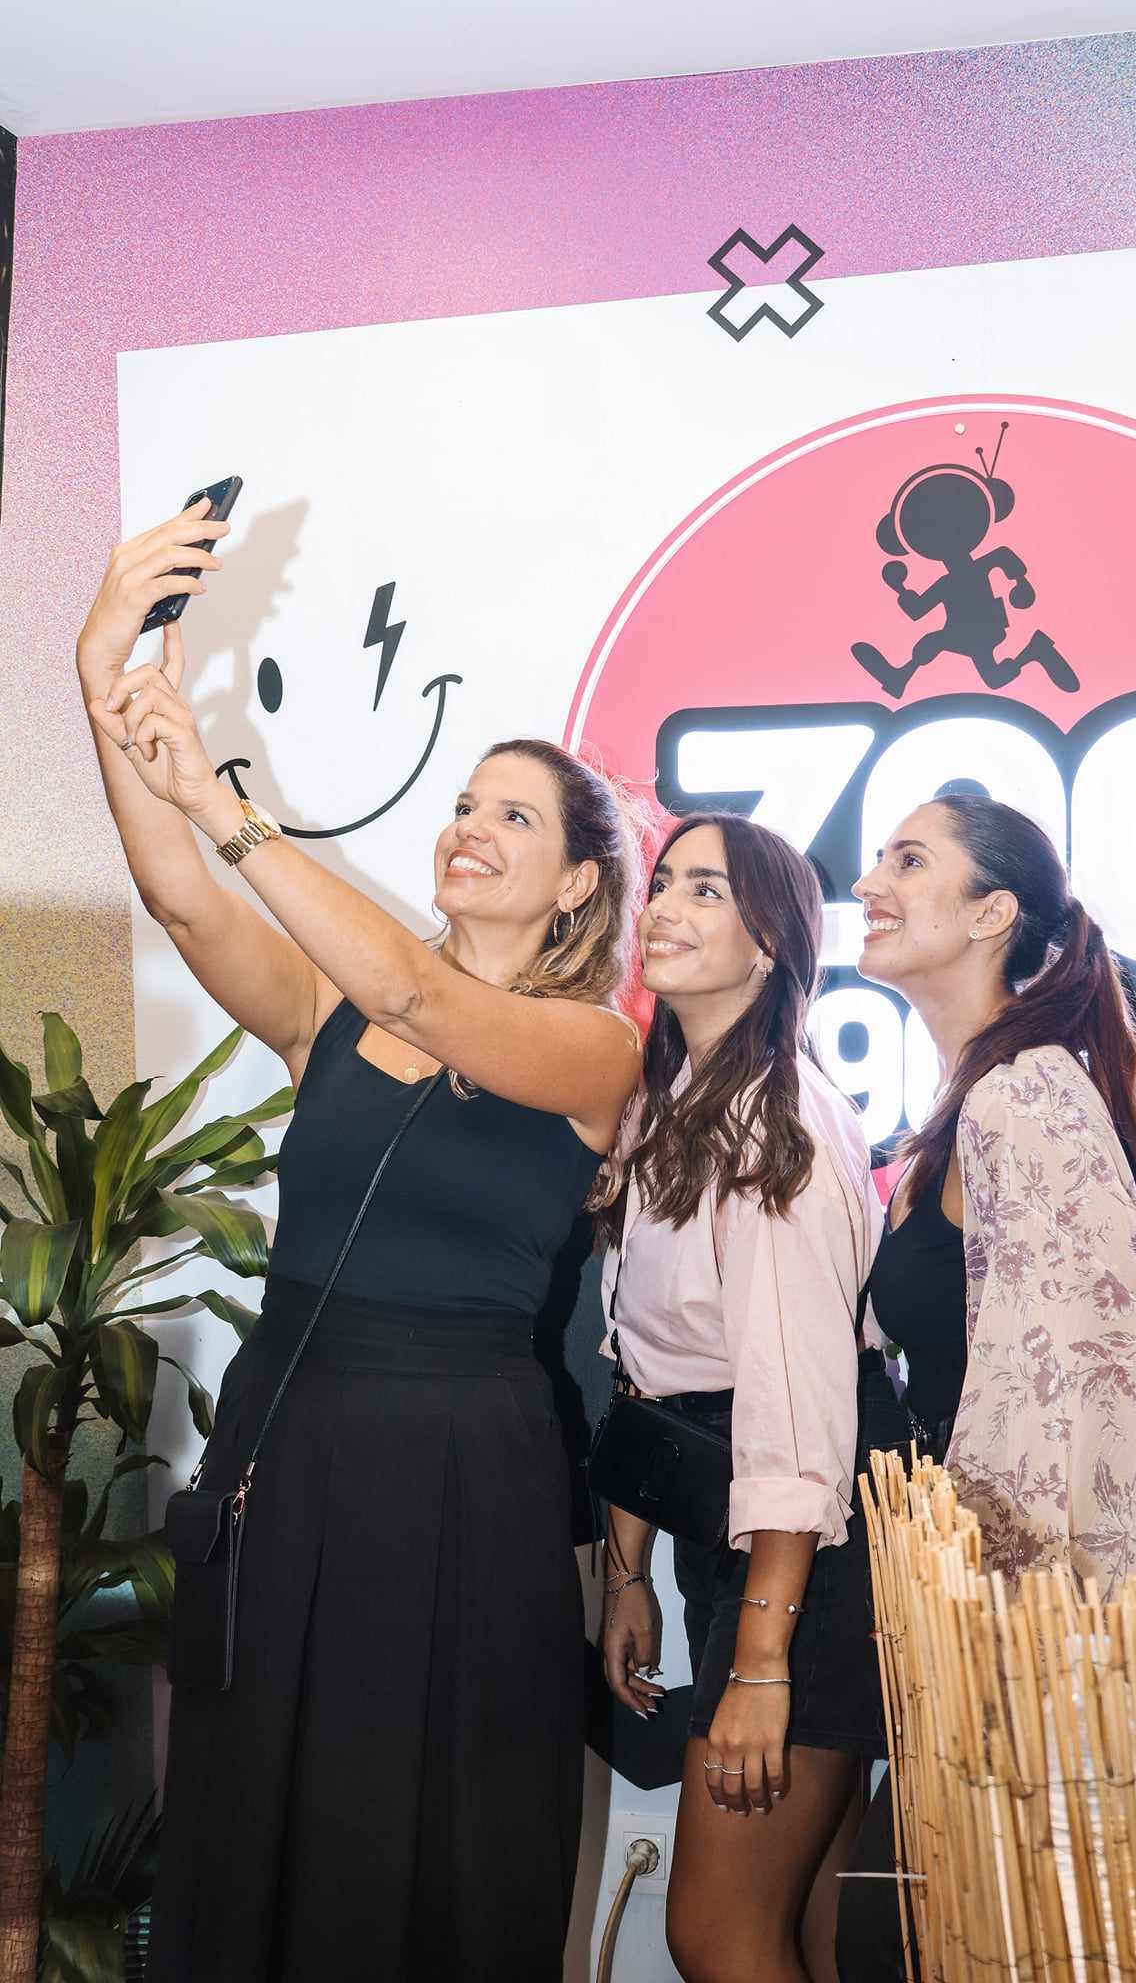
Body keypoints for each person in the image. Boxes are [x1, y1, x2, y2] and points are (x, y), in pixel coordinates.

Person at [75, 499, 643, 1982]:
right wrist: (103, 690)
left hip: (462, 1471)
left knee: (432, 1829)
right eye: (464, 803)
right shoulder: (330, 1009)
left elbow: (422, 998)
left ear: (580, 883)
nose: (469, 828)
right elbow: (180, 898)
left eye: (513, 817)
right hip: (291, 1437)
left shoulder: (596, 1049)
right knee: (256, 1806)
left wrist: (226, 804)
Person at [835, 792, 1136, 1982]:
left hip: (1040, 1666)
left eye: (909, 859)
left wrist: (1011, 1663)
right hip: (984, 1643)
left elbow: (1092, 1410)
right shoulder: (974, 1101)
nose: (870, 882)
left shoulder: (1029, 1096)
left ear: (991, 910)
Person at [599, 813, 898, 1983]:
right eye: (664, 881)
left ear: (771, 941)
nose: (665, 906)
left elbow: (795, 1414)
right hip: (734, 1533)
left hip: (809, 1549)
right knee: (803, 1928)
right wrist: (630, 1573)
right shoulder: (666, 1104)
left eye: (706, 890)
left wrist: (762, 1663)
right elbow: (649, 1368)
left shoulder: (780, 1122)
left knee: (717, 1932)